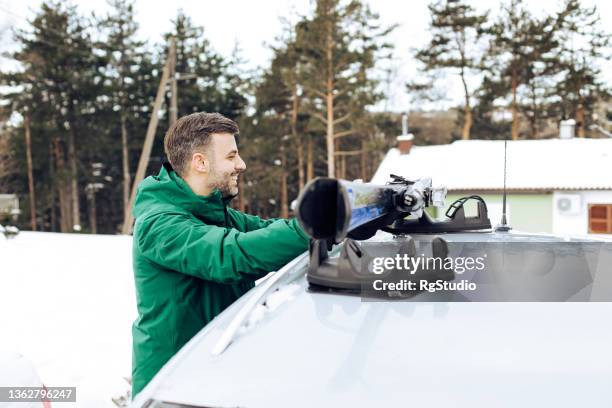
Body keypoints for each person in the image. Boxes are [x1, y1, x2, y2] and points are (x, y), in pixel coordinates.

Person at [130, 112, 309, 397]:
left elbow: (269, 231)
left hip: (212, 375)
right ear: (200, 162)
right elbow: (230, 255)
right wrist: (313, 229)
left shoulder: (215, 214)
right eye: (231, 156)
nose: (241, 165)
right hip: (171, 387)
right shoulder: (159, 224)